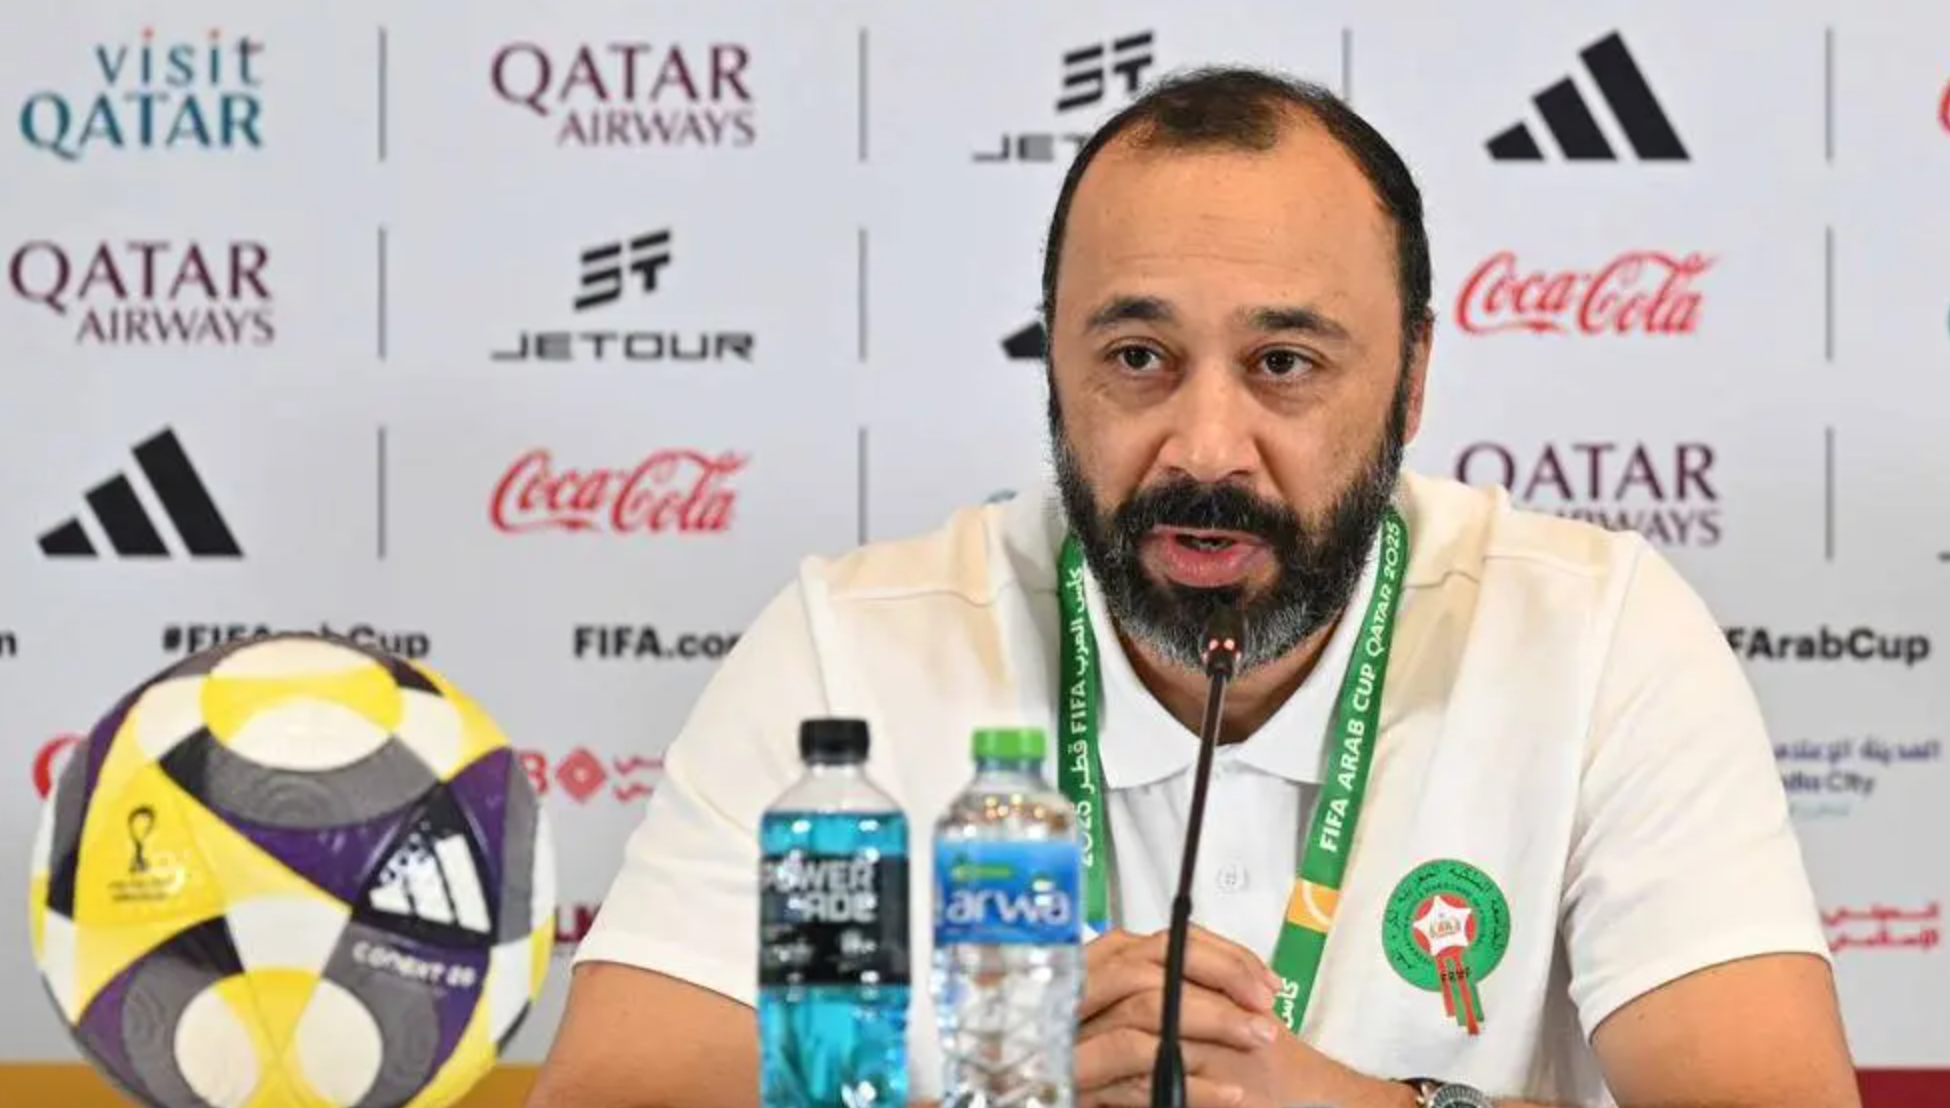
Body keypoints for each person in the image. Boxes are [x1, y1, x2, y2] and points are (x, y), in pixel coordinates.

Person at [523, 67, 1860, 1108]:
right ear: (1055, 369)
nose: (1206, 448)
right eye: (1138, 358)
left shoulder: (1596, 633)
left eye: (1284, 364)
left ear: (1410, 382)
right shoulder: (849, 656)